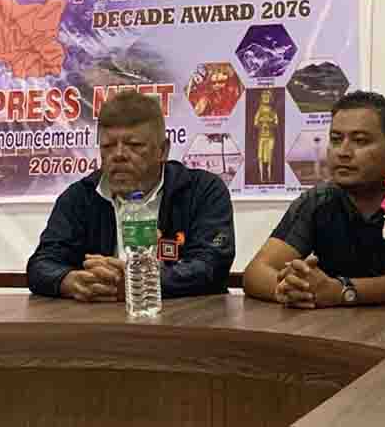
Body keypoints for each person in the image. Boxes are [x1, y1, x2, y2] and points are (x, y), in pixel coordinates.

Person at [27, 91, 235, 302]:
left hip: (185, 317)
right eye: (108, 146)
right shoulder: (80, 198)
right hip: (99, 317)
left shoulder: (203, 191)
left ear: (162, 150)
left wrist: (140, 281)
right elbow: (41, 265)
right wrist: (71, 281)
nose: (118, 155)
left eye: (134, 145)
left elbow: (212, 265)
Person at [243, 90, 385, 308]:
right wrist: (291, 289)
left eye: (360, 141)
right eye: (336, 139)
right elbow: (256, 271)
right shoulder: (319, 201)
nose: (343, 152)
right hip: (333, 326)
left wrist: (343, 291)